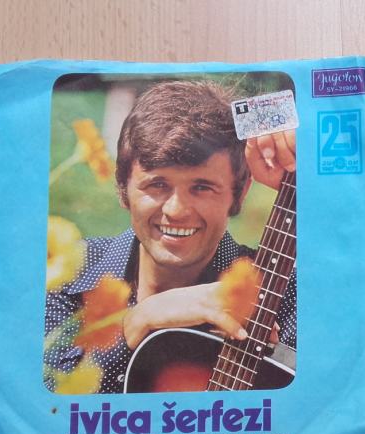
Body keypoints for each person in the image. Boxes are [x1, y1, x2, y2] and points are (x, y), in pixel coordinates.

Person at [44, 80, 296, 394]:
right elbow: (45, 406)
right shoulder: (62, 273)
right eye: (157, 185)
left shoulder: (283, 289)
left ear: (240, 192)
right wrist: (138, 322)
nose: (176, 211)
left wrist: (304, 159)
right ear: (122, 188)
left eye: (202, 187)